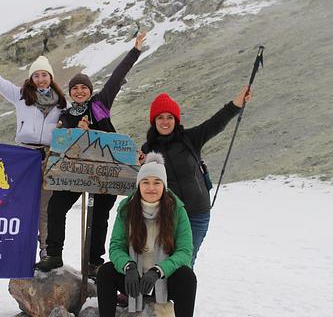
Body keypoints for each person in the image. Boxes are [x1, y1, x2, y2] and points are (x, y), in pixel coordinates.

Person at [34, 33, 146, 275]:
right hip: (75, 172)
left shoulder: (100, 104)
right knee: (56, 207)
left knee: (98, 217)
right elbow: (62, 140)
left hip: (106, 172)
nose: (80, 91)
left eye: (84, 87)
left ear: (90, 90)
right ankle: (54, 254)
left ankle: (93, 262)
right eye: (75, 88)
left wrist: (135, 50)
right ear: (71, 93)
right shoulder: (66, 115)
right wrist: (76, 131)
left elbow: (117, 77)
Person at [141, 86, 253, 266]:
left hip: (197, 214)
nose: (165, 122)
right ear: (153, 121)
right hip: (167, 216)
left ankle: (178, 295)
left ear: (176, 120)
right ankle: (159, 294)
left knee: (185, 261)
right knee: (162, 261)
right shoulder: (147, 150)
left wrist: (238, 102)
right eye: (160, 117)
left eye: (170, 117)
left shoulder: (189, 138)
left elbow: (216, 123)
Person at [0, 41, 68, 257]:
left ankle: (45, 250)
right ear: (31, 79)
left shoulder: (62, 104)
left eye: (44, 75)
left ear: (51, 77)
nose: (41, 79)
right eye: (36, 76)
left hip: (49, 158)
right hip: (25, 157)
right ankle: (16, 248)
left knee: (45, 208)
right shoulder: (20, 96)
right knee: (20, 204)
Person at [96, 152, 197, 317]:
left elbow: (184, 252)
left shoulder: (177, 210)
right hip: (134, 281)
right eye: (146, 182)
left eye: (157, 182)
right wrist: (128, 267)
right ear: (139, 184)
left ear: (164, 185)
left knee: (187, 277)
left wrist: (158, 271)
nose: (151, 188)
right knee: (105, 272)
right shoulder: (127, 208)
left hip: (163, 279)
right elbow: (116, 246)